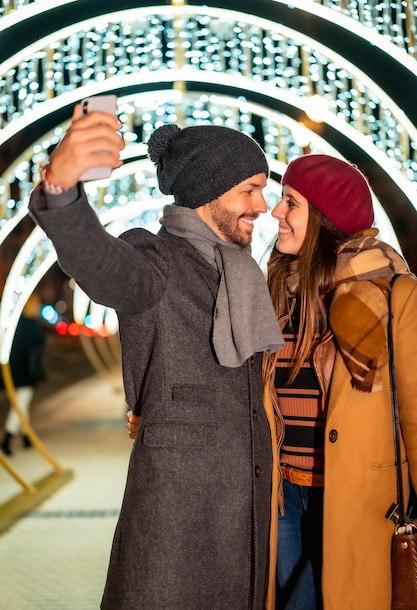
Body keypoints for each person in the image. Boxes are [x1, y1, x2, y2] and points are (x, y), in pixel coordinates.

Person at [28, 105, 284, 610]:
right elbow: (100, 265)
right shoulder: (157, 261)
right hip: (179, 520)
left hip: (246, 510)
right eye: (248, 189)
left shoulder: (243, 271)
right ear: (210, 189)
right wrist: (61, 190)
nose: (262, 203)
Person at [261, 154, 417, 610]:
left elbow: (414, 407)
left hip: (359, 497)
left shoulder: (390, 293)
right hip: (286, 493)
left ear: (324, 216)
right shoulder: (275, 290)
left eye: (290, 202)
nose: (276, 213)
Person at [1, 297, 47, 456]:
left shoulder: (9, 322)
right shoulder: (30, 323)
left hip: (9, 370)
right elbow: (40, 343)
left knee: (22, 402)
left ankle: (27, 437)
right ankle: (7, 438)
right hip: (26, 371)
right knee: (21, 403)